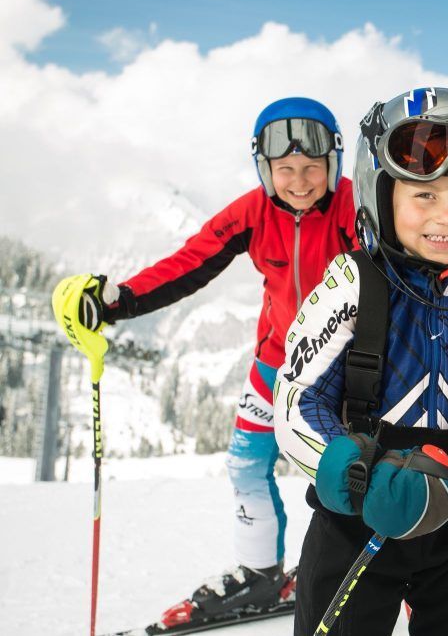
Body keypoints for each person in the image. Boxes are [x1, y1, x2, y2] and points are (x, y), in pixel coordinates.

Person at [54, 97, 358, 625]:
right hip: (276, 363)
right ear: (264, 168)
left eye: (312, 167)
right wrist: (118, 301)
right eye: (285, 169)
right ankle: (261, 573)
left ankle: (394, 567)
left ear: (333, 163)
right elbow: (190, 261)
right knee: (245, 465)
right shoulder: (253, 211)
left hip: (345, 370)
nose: (300, 182)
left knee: (350, 477)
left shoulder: (355, 206)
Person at [274, 87, 448, 636]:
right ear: (381, 194)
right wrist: (359, 478)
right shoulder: (353, 284)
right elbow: (297, 402)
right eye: (424, 196)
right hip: (357, 522)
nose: (447, 216)